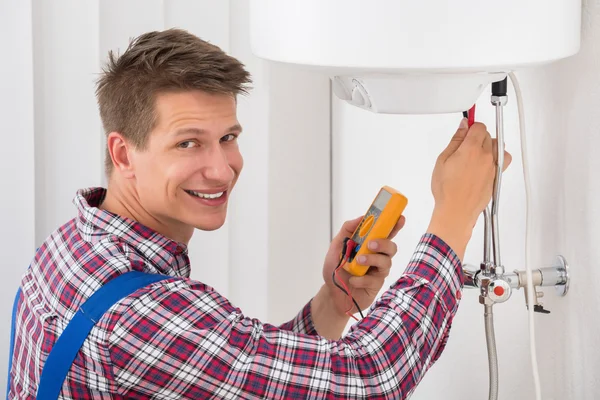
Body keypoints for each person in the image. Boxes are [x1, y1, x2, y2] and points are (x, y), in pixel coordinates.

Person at [8, 28, 512, 399]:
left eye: (228, 138)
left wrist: (332, 304)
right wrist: (453, 217)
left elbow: (232, 373)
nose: (222, 170)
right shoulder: (140, 314)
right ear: (123, 155)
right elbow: (367, 381)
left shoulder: (73, 246)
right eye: (188, 143)